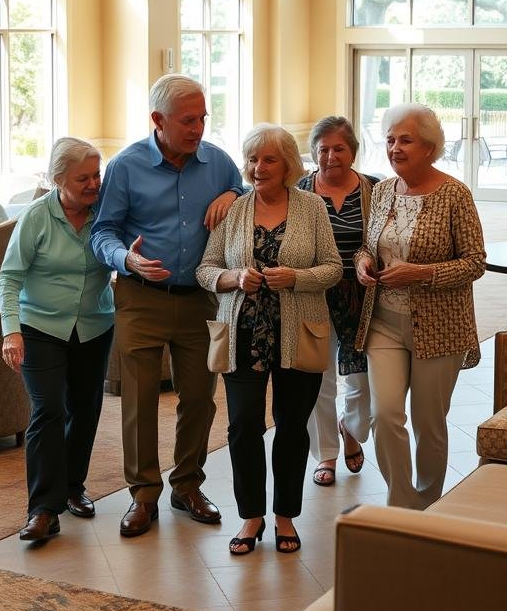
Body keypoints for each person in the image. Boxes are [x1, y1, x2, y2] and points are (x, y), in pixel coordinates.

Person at [90, 74, 244, 538]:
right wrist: (127, 258)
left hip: (201, 298)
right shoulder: (126, 166)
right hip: (141, 297)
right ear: (158, 120)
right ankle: (142, 494)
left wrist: (234, 194)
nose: (198, 128)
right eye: (188, 120)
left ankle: (187, 486)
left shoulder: (219, 163)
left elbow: (250, 196)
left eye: (202, 118)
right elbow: (102, 232)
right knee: (138, 401)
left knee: (199, 398)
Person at [196, 124, 342, 555]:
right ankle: (251, 516)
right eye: (252, 159)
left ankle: (285, 516)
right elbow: (205, 269)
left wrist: (296, 277)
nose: (258, 167)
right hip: (242, 335)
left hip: (299, 334)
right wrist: (234, 277)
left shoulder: (312, 207)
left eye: (268, 159)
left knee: (293, 427)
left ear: (288, 164)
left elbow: (333, 267)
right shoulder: (235, 209)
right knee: (243, 426)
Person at [353, 103, 485, 510]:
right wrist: (362, 262)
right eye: (390, 139)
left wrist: (421, 273)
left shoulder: (454, 194)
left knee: (429, 424)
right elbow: (367, 244)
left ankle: (427, 506)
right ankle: (401, 506)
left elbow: (475, 262)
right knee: (385, 414)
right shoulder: (382, 191)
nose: (395, 148)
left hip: (440, 328)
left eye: (405, 140)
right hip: (383, 323)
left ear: (429, 147)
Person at [0, 138, 114, 542]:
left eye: (97, 175)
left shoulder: (106, 211)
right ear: (58, 180)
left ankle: (73, 486)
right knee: (48, 410)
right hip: (40, 326)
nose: (93, 184)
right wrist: (11, 330)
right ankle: (43, 510)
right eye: (83, 178)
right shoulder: (36, 218)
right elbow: (9, 277)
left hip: (95, 326)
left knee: (84, 409)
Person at [297, 116, 378, 487]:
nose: (331, 156)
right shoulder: (299, 191)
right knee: (320, 378)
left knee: (363, 379)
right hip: (313, 294)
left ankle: (351, 427)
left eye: (339, 148)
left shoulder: (375, 189)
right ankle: (326, 454)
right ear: (314, 153)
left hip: (362, 296)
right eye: (323, 149)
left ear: (353, 152)